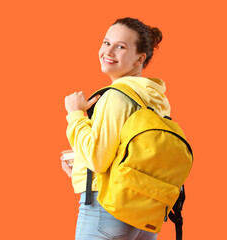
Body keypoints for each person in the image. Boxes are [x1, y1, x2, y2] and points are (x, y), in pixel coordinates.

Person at [62, 17, 171, 240]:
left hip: (106, 208)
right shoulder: (155, 99)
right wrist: (81, 173)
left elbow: (98, 159)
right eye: (106, 42)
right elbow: (131, 157)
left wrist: (75, 115)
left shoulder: (116, 97)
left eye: (120, 46)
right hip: (143, 212)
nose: (108, 52)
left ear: (139, 59)